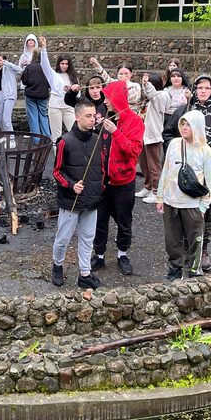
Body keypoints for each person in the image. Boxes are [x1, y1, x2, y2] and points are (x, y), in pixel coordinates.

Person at [162, 74, 211, 272]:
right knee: (183, 213)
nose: (203, 91)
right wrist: (180, 152)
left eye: (207, 88)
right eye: (200, 87)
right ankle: (185, 251)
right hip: (184, 173)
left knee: (206, 212)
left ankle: (202, 250)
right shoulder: (185, 111)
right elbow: (168, 134)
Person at [90, 81, 144, 276]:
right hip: (104, 181)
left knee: (124, 219)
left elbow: (133, 151)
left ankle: (122, 253)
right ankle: (100, 255)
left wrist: (116, 132)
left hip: (124, 182)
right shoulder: (106, 117)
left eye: (107, 98)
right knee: (100, 219)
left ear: (117, 99)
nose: (104, 101)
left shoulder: (135, 121)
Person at [156, 110, 211, 279]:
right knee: (172, 239)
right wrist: (161, 197)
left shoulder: (206, 151)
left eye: (188, 124)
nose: (184, 127)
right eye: (182, 123)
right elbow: (166, 171)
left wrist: (203, 206)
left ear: (197, 127)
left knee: (195, 239)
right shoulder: (174, 144)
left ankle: (194, 269)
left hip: (192, 204)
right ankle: (175, 269)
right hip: (171, 201)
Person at [52, 101, 106, 289]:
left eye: (94, 116)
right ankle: (57, 265)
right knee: (63, 238)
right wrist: (72, 185)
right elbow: (57, 172)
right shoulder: (65, 141)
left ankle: (85, 273)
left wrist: (100, 188)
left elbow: (102, 168)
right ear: (77, 117)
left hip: (92, 199)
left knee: (87, 238)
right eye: (88, 116)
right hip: (70, 200)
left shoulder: (97, 139)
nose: (93, 120)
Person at [138, 69, 191, 203]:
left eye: (149, 83)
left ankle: (156, 191)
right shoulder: (150, 98)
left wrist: (146, 83)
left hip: (153, 136)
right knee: (144, 164)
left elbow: (151, 93)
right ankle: (148, 186)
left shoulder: (162, 95)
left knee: (154, 165)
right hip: (143, 135)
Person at [20, 40, 51, 138]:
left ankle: (36, 139)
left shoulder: (29, 67)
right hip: (43, 95)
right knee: (43, 116)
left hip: (31, 95)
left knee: (33, 117)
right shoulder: (46, 68)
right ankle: (47, 137)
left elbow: (24, 81)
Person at [41, 52, 77, 136]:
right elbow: (44, 64)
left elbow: (77, 95)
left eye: (66, 64)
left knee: (74, 132)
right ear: (58, 63)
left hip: (68, 107)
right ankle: (57, 149)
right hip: (55, 106)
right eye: (62, 63)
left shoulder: (73, 76)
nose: (64, 66)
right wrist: (43, 49)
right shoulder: (53, 75)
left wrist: (73, 91)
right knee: (56, 135)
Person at [0, 52, 22, 132]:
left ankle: (11, 139)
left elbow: (19, 70)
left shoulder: (8, 68)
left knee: (6, 119)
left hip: (9, 95)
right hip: (1, 96)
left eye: (0, 60)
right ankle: (5, 135)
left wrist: (6, 63)